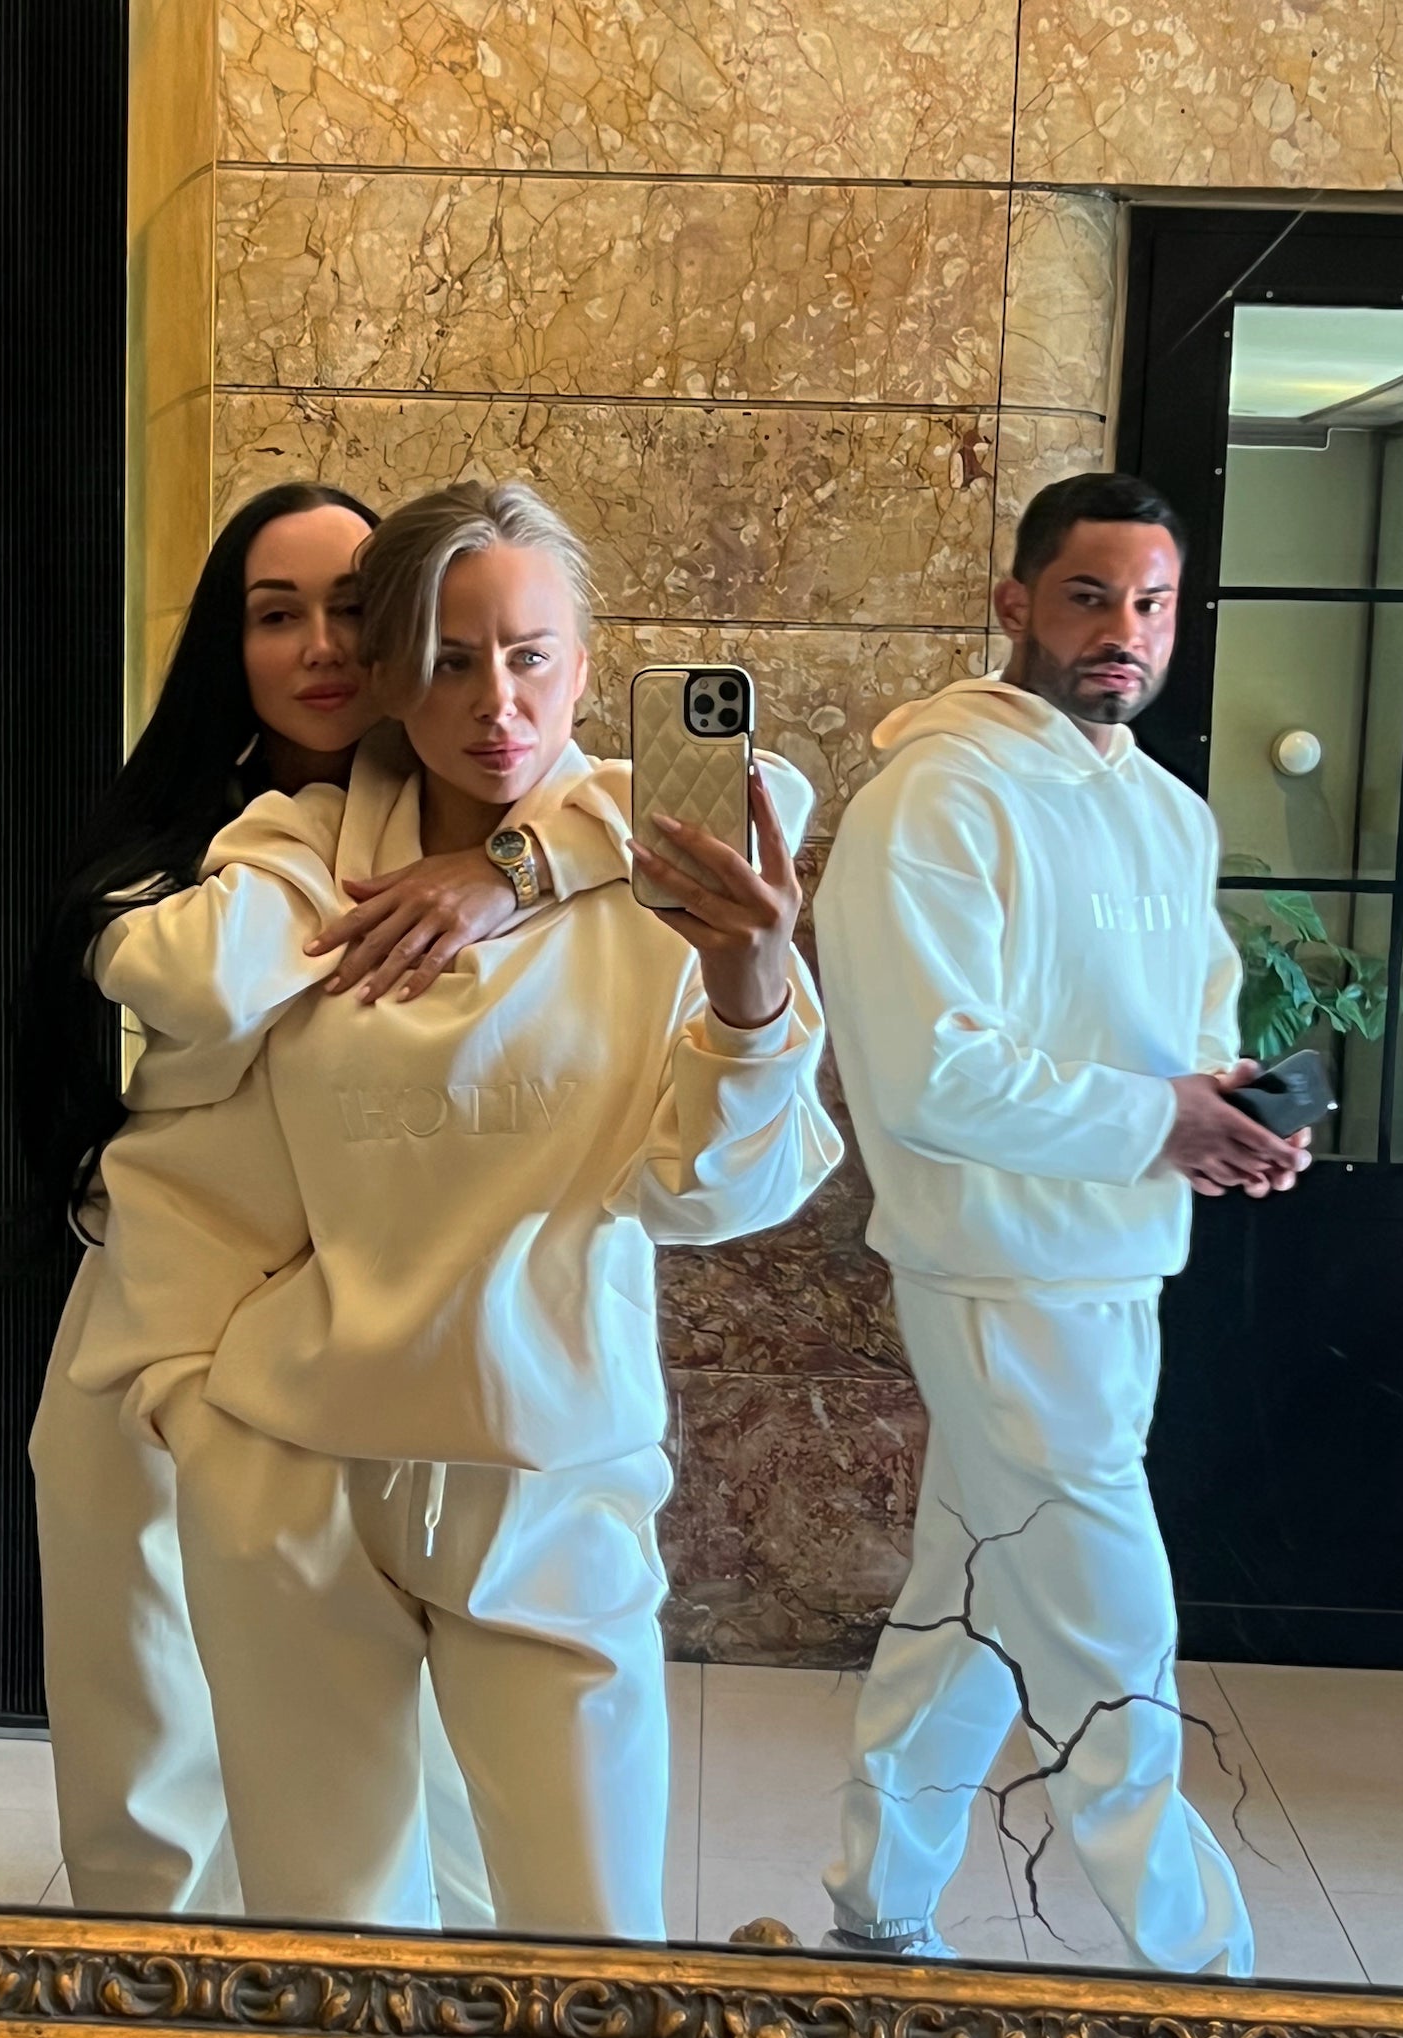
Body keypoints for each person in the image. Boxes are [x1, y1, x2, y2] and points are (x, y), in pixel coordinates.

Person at [87, 478, 842, 1940]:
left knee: (595, 1942)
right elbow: (166, 976)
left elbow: (709, 1196)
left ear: (585, 663)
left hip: (551, 1468)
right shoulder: (298, 850)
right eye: (447, 658)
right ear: (383, 677)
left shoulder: (667, 881)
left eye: (531, 654)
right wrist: (197, 1408)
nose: (498, 703)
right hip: (295, 1465)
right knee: (334, 1943)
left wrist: (744, 987)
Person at [24, 482, 634, 1922]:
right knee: (145, 1697)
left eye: (356, 609)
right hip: (174, 1321)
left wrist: (507, 867)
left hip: (375, 1357)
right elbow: (201, 977)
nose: (325, 647)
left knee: (417, 1771)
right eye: (274, 613)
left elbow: (695, 802)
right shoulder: (215, 838)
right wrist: (390, 869)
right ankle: (159, 1999)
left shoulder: (518, 809)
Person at [814, 470, 1308, 1975]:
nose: (1123, 631)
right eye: (1090, 597)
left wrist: (1228, 1113)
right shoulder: (935, 800)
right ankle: (1211, 1984)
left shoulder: (1164, 812)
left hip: (1120, 1264)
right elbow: (929, 1076)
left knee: (966, 1607)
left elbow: (1189, 1026)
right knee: (1113, 1648)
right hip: (996, 1274)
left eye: (1151, 603)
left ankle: (876, 1914)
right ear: (1016, 603)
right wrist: (1162, 1120)